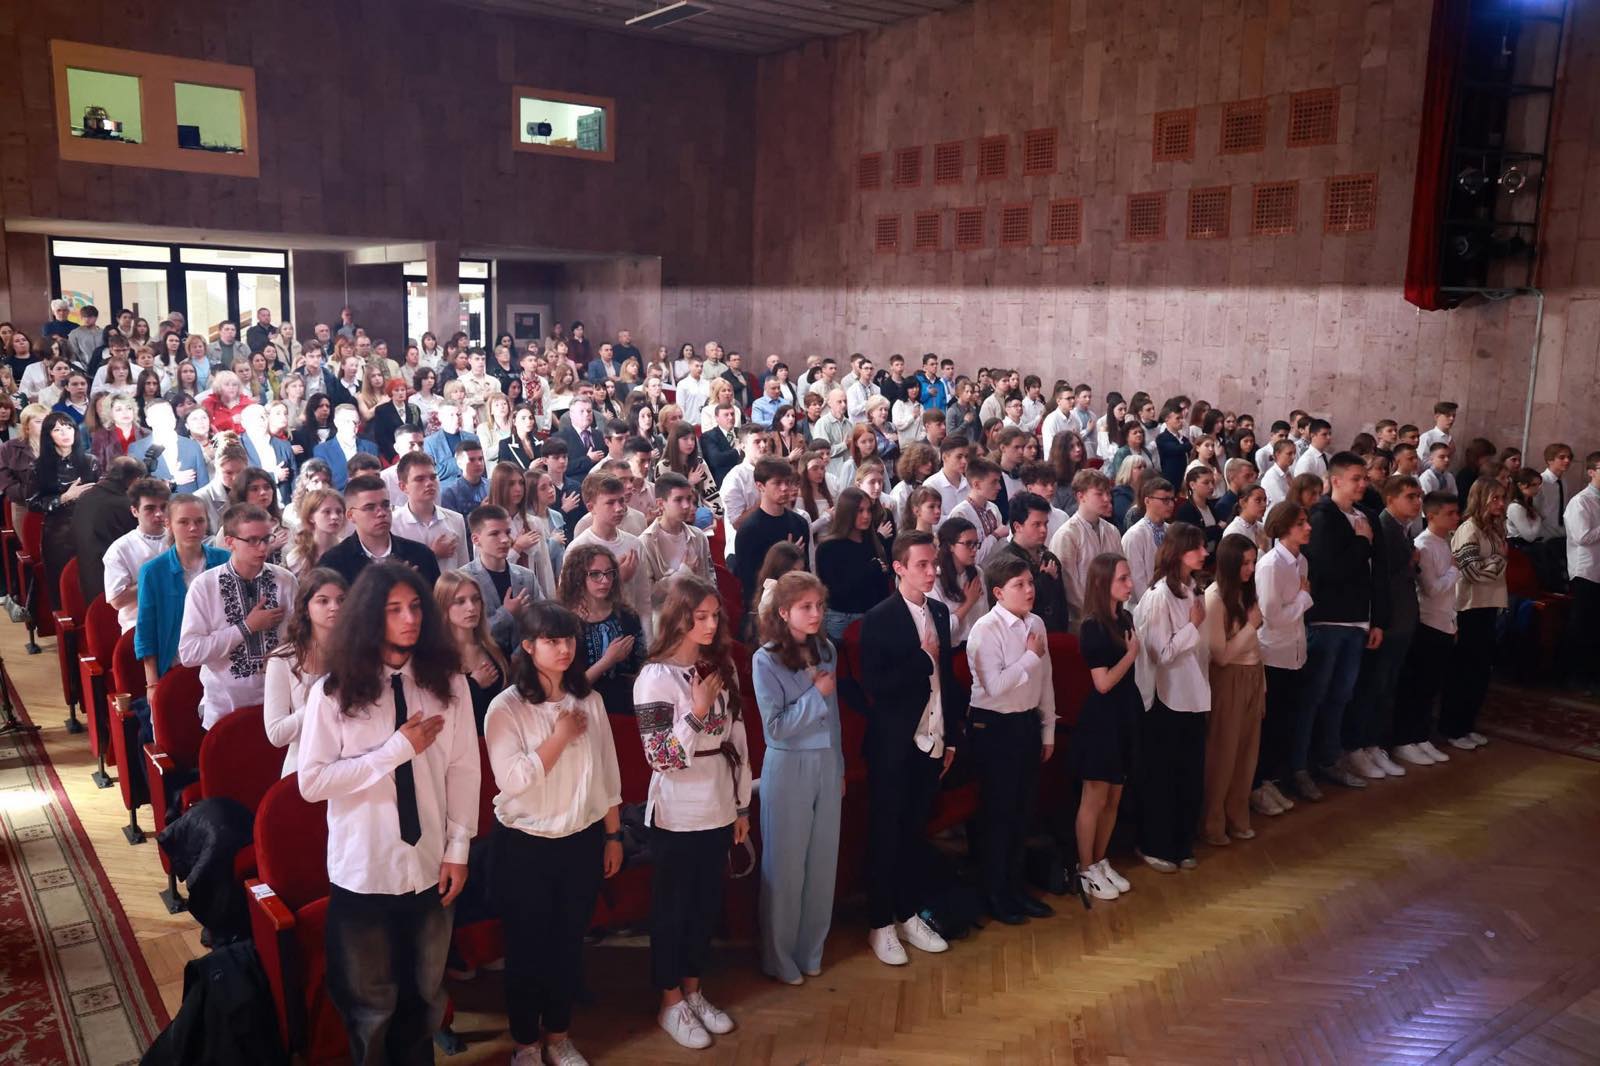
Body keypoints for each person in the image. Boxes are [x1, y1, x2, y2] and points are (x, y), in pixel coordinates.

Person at [297, 562, 480, 1066]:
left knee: (424, 1002)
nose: (409, 619)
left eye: (415, 607)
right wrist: (394, 751)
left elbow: (464, 769)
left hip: (430, 865)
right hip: (365, 870)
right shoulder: (333, 692)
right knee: (370, 1011)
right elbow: (312, 783)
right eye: (394, 609)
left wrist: (458, 849)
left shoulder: (449, 684)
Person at [483, 601, 622, 1066]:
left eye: (568, 640)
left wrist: (613, 836)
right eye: (551, 640)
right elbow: (513, 780)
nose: (564, 649)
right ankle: (525, 1043)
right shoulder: (506, 707)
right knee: (526, 950)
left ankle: (559, 1036)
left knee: (567, 945)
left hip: (580, 839)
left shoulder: (589, 701)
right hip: (524, 844)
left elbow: (607, 773)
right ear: (528, 645)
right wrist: (560, 736)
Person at [632, 575, 749, 1049]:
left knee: (704, 906)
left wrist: (741, 804)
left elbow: (737, 737)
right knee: (672, 909)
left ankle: (694, 989)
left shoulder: (721, 665)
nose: (710, 624)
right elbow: (660, 757)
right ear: (676, 618)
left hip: (718, 801)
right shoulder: (654, 677)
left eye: (714, 615)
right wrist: (697, 712)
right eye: (699, 616)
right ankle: (669, 999)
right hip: (678, 811)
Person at [857, 531, 965, 967]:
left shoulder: (939, 611)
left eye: (933, 563)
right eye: (921, 564)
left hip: (933, 739)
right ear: (899, 568)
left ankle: (907, 913)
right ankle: (880, 923)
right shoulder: (879, 618)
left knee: (915, 833)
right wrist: (922, 659)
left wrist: (951, 736)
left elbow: (947, 680)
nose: (931, 572)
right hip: (894, 744)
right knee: (886, 835)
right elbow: (876, 686)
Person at [751, 571, 844, 985]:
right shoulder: (765, 659)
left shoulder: (826, 650)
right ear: (784, 612)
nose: (816, 614)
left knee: (822, 863)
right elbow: (775, 728)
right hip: (788, 765)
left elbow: (835, 720)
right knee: (786, 866)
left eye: (819, 605)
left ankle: (811, 950)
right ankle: (779, 956)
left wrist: (839, 766)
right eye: (806, 607)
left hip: (826, 762)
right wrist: (814, 696)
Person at [965, 553, 1057, 924]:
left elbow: (1046, 681)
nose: (1029, 590)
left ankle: (1017, 889)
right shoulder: (985, 630)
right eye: (1020, 585)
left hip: (1026, 723)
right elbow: (996, 685)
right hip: (994, 728)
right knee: (998, 814)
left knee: (1022, 811)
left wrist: (1048, 729)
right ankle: (994, 894)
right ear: (999, 593)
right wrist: (1031, 657)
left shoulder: (1036, 623)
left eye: (1031, 582)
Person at [1298, 452, 1388, 794]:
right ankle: (1301, 765)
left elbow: (1378, 571)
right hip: (1328, 618)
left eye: (1364, 478)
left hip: (1359, 619)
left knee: (1342, 696)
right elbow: (1329, 570)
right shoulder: (1322, 516)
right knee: (1314, 696)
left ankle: (1330, 757)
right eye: (1356, 478)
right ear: (1335, 480)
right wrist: (1361, 542)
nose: (1363, 484)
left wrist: (1378, 619)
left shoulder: (1368, 516)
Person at [1131, 521, 1209, 873]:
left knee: (1189, 774)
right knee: (1162, 776)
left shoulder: (1193, 589)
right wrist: (1192, 626)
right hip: (1166, 697)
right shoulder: (1159, 594)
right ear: (1177, 552)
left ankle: (1182, 842)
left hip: (1192, 692)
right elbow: (1159, 652)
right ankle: (1154, 843)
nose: (1204, 553)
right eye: (1196, 548)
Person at [177, 502, 297, 728]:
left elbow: (299, 639)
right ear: (230, 542)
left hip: (280, 702)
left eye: (267, 539)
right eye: (252, 540)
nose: (262, 548)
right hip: (225, 707)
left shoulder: (285, 580)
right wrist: (246, 627)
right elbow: (190, 653)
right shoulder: (204, 586)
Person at [1070, 553, 1139, 901]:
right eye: (1122, 579)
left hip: (1124, 714)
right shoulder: (1092, 626)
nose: (1130, 584)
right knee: (1095, 797)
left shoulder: (1124, 618)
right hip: (1101, 720)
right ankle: (1085, 867)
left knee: (1115, 795)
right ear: (1102, 583)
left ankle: (1100, 860)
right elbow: (1103, 683)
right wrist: (1131, 655)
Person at [1347, 475, 1424, 776]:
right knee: (1373, 687)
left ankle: (1375, 744)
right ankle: (1359, 745)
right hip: (1387, 621)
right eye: (1410, 496)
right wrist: (1411, 563)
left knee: (1387, 686)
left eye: (1419, 496)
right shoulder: (1384, 527)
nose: (1417, 502)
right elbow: (1381, 577)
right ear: (1391, 499)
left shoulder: (1402, 529)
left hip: (1402, 619)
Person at [1199, 534, 1265, 848]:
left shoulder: (1246, 591)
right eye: (1245, 563)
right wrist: (1251, 626)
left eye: (1253, 562)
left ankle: (1238, 815)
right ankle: (1213, 822)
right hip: (1228, 679)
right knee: (1223, 753)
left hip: (1253, 675)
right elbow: (1221, 656)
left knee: (1247, 753)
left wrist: (1262, 687)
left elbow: (1254, 647)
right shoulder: (1214, 597)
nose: (1250, 569)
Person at [1250, 502, 1313, 814]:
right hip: (1274, 654)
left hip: (1295, 651)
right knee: (1270, 725)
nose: (1308, 527)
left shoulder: (1301, 561)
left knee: (1286, 722)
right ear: (1284, 527)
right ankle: (1257, 785)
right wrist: (1304, 597)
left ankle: (1271, 779)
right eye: (1300, 523)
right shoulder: (1270, 565)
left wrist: (1300, 600)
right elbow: (1270, 617)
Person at [134, 494, 230, 689]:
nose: (193, 528)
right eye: (184, 522)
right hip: (177, 666)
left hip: (223, 663)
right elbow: (146, 630)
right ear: (168, 524)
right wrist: (152, 684)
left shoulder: (226, 561)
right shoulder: (153, 572)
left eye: (199, 521)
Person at [1442, 478, 1508, 750]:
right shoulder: (1469, 529)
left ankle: (1467, 724)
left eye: (1503, 498)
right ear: (1481, 499)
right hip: (1469, 607)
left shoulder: (1494, 530)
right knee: (1465, 671)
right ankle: (1453, 728)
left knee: (1480, 671)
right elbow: (1472, 571)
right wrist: (1500, 560)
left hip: (1488, 605)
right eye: (1495, 498)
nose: (1501, 504)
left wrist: (1496, 561)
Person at [264, 568, 346, 776]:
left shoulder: (358, 652)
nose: (334, 607)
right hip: (303, 765)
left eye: (341, 600)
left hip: (352, 761)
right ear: (306, 608)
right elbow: (276, 734)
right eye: (323, 601)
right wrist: (321, 700)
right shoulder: (283, 659)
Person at [568, 474, 653, 644]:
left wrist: (648, 642)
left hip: (630, 632)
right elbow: (571, 601)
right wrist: (617, 578)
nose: (619, 508)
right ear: (591, 507)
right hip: (593, 636)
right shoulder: (578, 548)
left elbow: (643, 600)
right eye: (610, 503)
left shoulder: (634, 544)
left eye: (621, 501)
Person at [28, 412, 100, 608]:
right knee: (61, 585)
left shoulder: (91, 462)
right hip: (58, 533)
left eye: (68, 427)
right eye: (58, 430)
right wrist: (64, 498)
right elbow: (32, 503)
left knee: (92, 584)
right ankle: (63, 623)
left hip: (89, 531)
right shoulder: (38, 466)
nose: (65, 433)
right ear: (49, 435)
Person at [318, 474, 443, 586]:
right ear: (351, 515)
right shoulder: (333, 563)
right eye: (370, 507)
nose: (381, 513)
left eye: (385, 505)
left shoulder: (420, 555)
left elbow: (435, 602)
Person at [434, 569, 510, 736]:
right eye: (460, 601)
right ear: (443, 606)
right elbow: (439, 711)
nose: (471, 608)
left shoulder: (496, 650)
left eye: (476, 599)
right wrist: (473, 686)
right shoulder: (434, 659)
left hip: (499, 739)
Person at [460, 504, 540, 656]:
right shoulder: (463, 580)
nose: (504, 540)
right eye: (494, 534)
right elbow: (467, 632)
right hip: (485, 662)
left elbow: (542, 620)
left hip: (525, 660)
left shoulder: (527, 576)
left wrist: (520, 655)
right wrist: (506, 613)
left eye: (507, 532)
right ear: (476, 539)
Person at [1050, 469, 1124, 631]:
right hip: (1081, 621)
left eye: (1108, 493)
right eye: (1099, 494)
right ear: (1081, 496)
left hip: (1112, 613)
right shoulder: (1067, 535)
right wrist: (1095, 614)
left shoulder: (1112, 531)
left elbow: (1121, 572)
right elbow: (1069, 585)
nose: (1106, 499)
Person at [100, 476, 171, 633]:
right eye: (150, 508)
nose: (159, 514)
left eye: (163, 507)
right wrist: (159, 579)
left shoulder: (179, 539)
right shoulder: (120, 549)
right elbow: (117, 600)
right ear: (134, 511)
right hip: (140, 626)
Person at [390, 452, 470, 572]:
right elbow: (394, 574)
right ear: (403, 487)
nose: (429, 483)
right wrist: (432, 554)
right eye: (420, 479)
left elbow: (464, 569)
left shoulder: (455, 519)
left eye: (433, 477)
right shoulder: (393, 525)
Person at [640, 472, 714, 584]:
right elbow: (648, 591)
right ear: (660, 504)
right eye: (678, 500)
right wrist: (683, 574)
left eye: (689, 499)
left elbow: (709, 578)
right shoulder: (646, 543)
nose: (686, 505)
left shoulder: (698, 536)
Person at [928, 517, 989, 647]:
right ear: (950, 546)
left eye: (976, 543)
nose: (974, 549)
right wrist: (968, 603)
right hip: (952, 649)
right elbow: (941, 631)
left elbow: (985, 616)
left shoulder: (977, 573)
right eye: (968, 544)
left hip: (979, 644)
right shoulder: (935, 580)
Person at [947, 457, 1008, 566]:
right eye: (994, 482)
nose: (999, 487)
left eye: (999, 481)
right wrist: (995, 536)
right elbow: (966, 558)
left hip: (998, 571)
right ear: (977, 485)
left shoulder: (993, 508)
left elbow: (1002, 546)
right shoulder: (960, 514)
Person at [314, 404, 379, 491]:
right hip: (338, 497)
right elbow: (324, 484)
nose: (352, 426)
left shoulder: (370, 447)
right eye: (347, 421)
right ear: (336, 422)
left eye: (355, 422)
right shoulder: (322, 450)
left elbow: (376, 479)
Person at [441, 440, 490, 514]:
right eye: (471, 460)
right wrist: (480, 512)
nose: (478, 463)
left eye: (480, 459)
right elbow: (452, 521)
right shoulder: (450, 494)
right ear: (459, 463)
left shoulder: (492, 486)